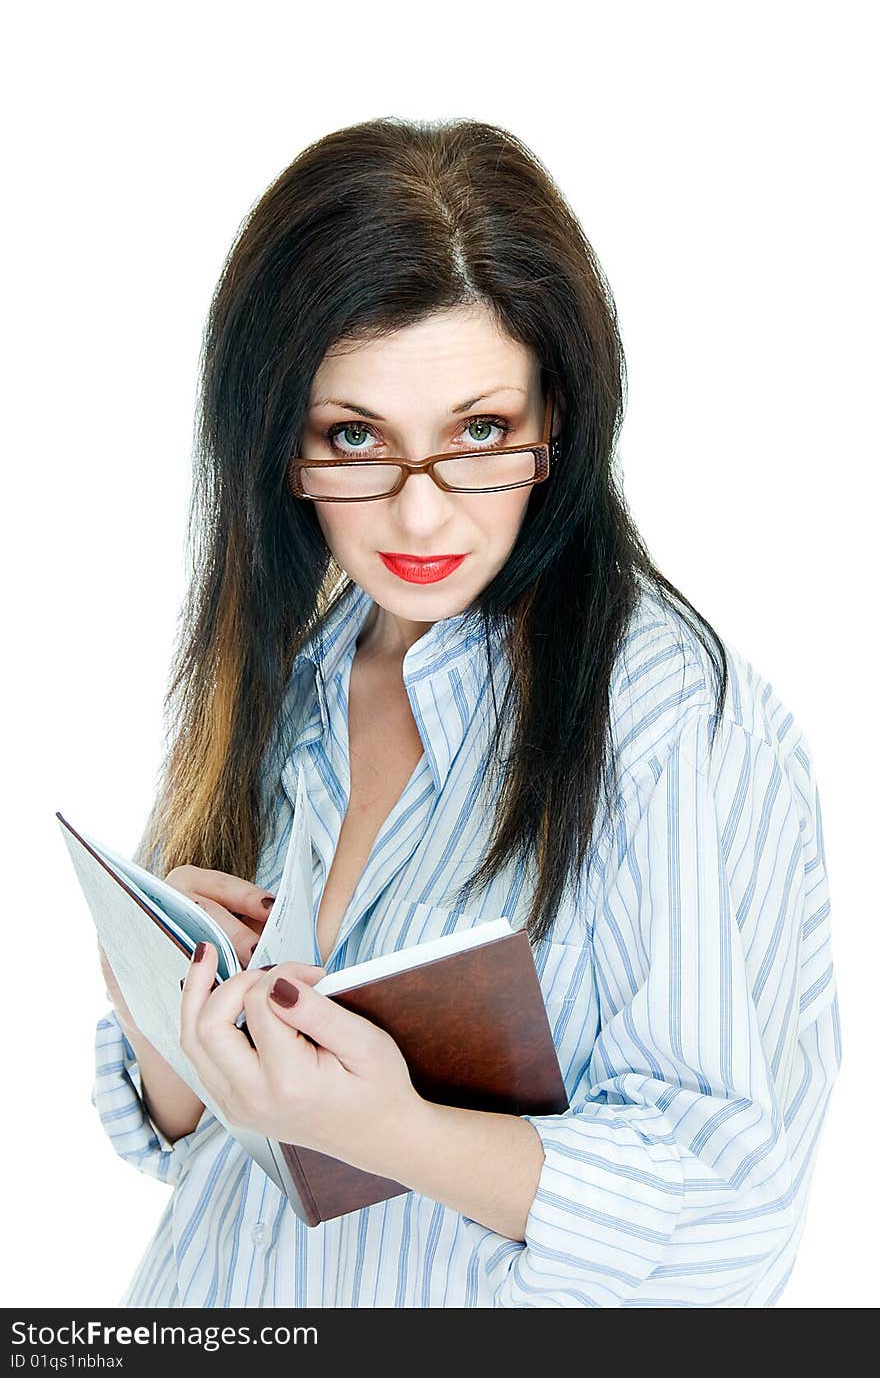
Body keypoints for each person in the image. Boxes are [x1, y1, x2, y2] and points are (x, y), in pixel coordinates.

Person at [92, 116, 841, 1308]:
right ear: (274, 442)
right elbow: (192, 1149)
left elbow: (728, 1222)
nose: (422, 516)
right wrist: (169, 1003)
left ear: (559, 418)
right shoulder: (293, 678)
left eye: (479, 432)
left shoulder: (671, 721)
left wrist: (396, 1128)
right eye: (354, 439)